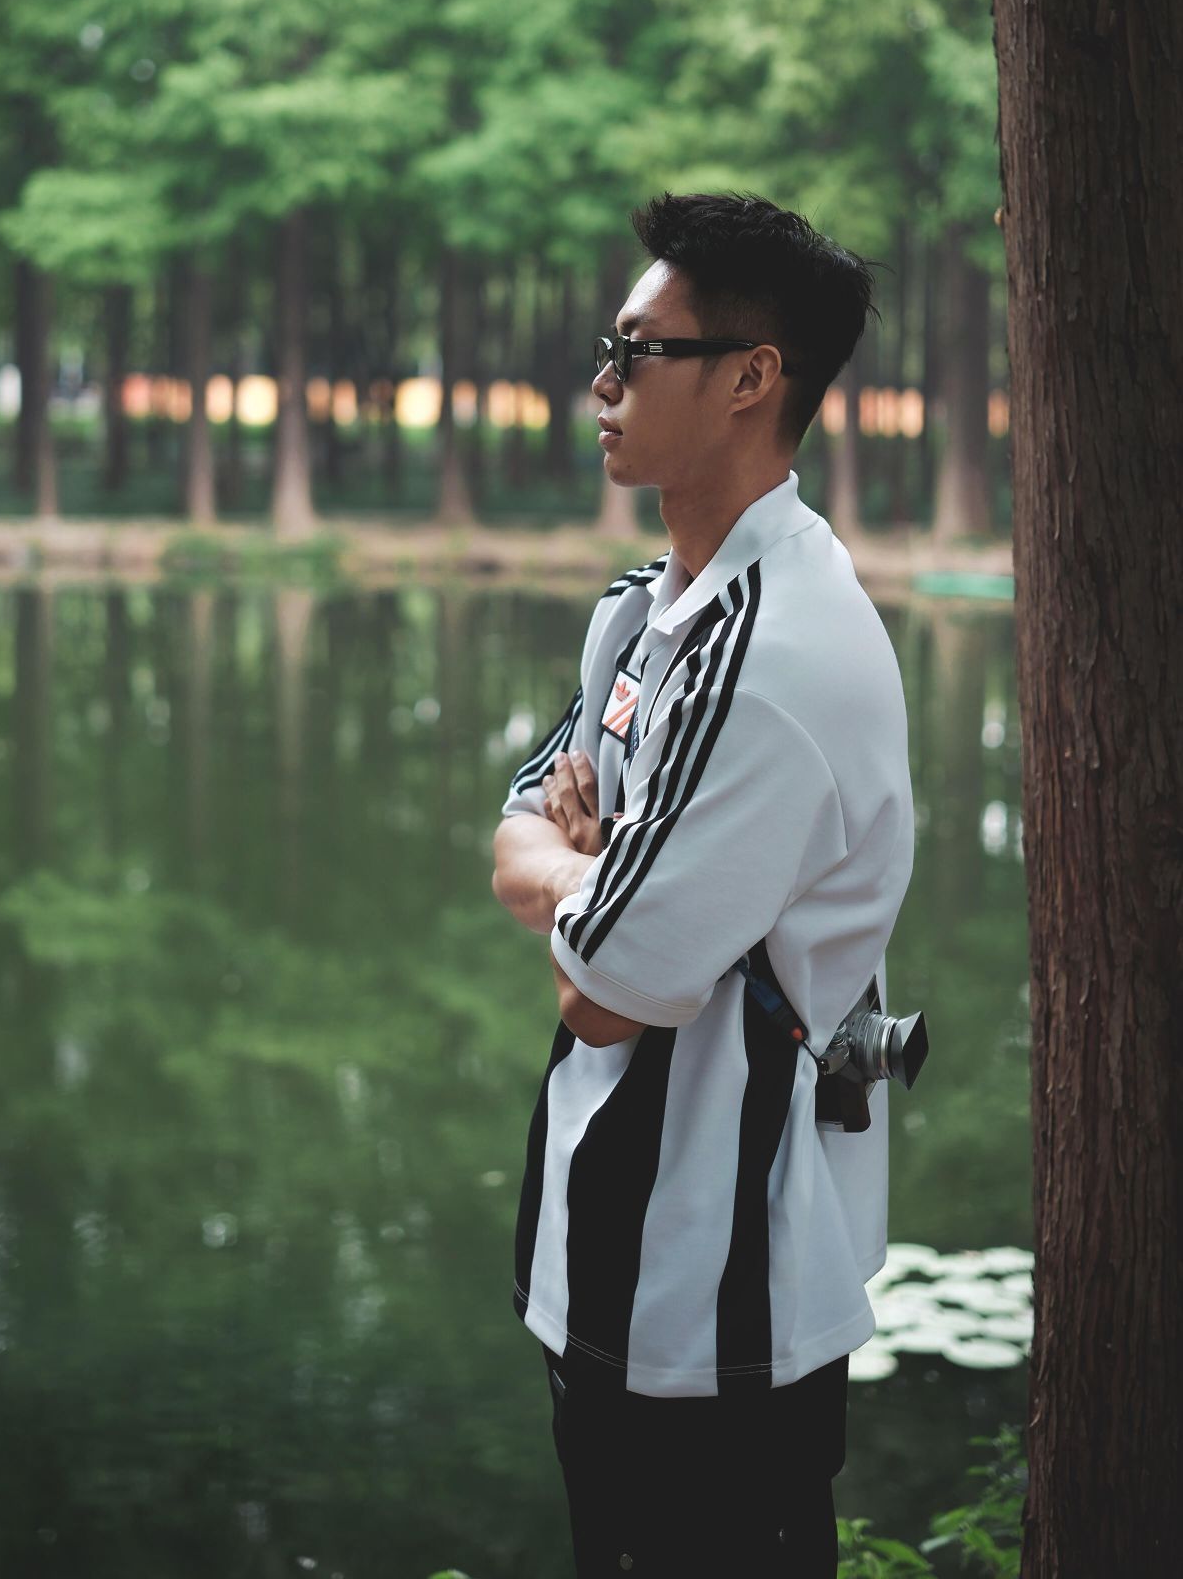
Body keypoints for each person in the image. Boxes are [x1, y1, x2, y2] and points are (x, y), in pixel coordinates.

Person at [491, 191, 916, 1578]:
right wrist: (591, 871)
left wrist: (583, 880)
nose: (601, 387)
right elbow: (514, 834)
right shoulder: (645, 608)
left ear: (750, 378)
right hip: (603, 1253)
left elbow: (605, 996)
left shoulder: (773, 660)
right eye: (605, 350)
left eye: (637, 352)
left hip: (718, 1307)